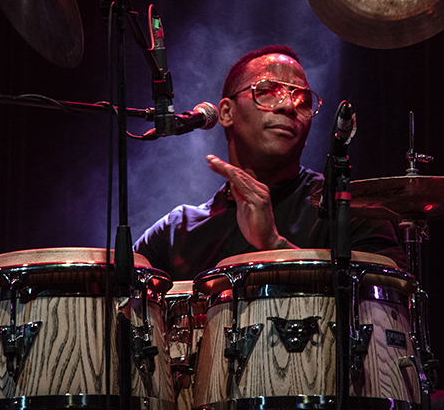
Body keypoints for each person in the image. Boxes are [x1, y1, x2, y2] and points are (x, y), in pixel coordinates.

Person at [133, 45, 402, 281]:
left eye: (303, 100)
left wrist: (273, 244)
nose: (289, 106)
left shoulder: (351, 208)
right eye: (269, 92)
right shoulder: (175, 232)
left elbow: (391, 301)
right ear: (226, 112)